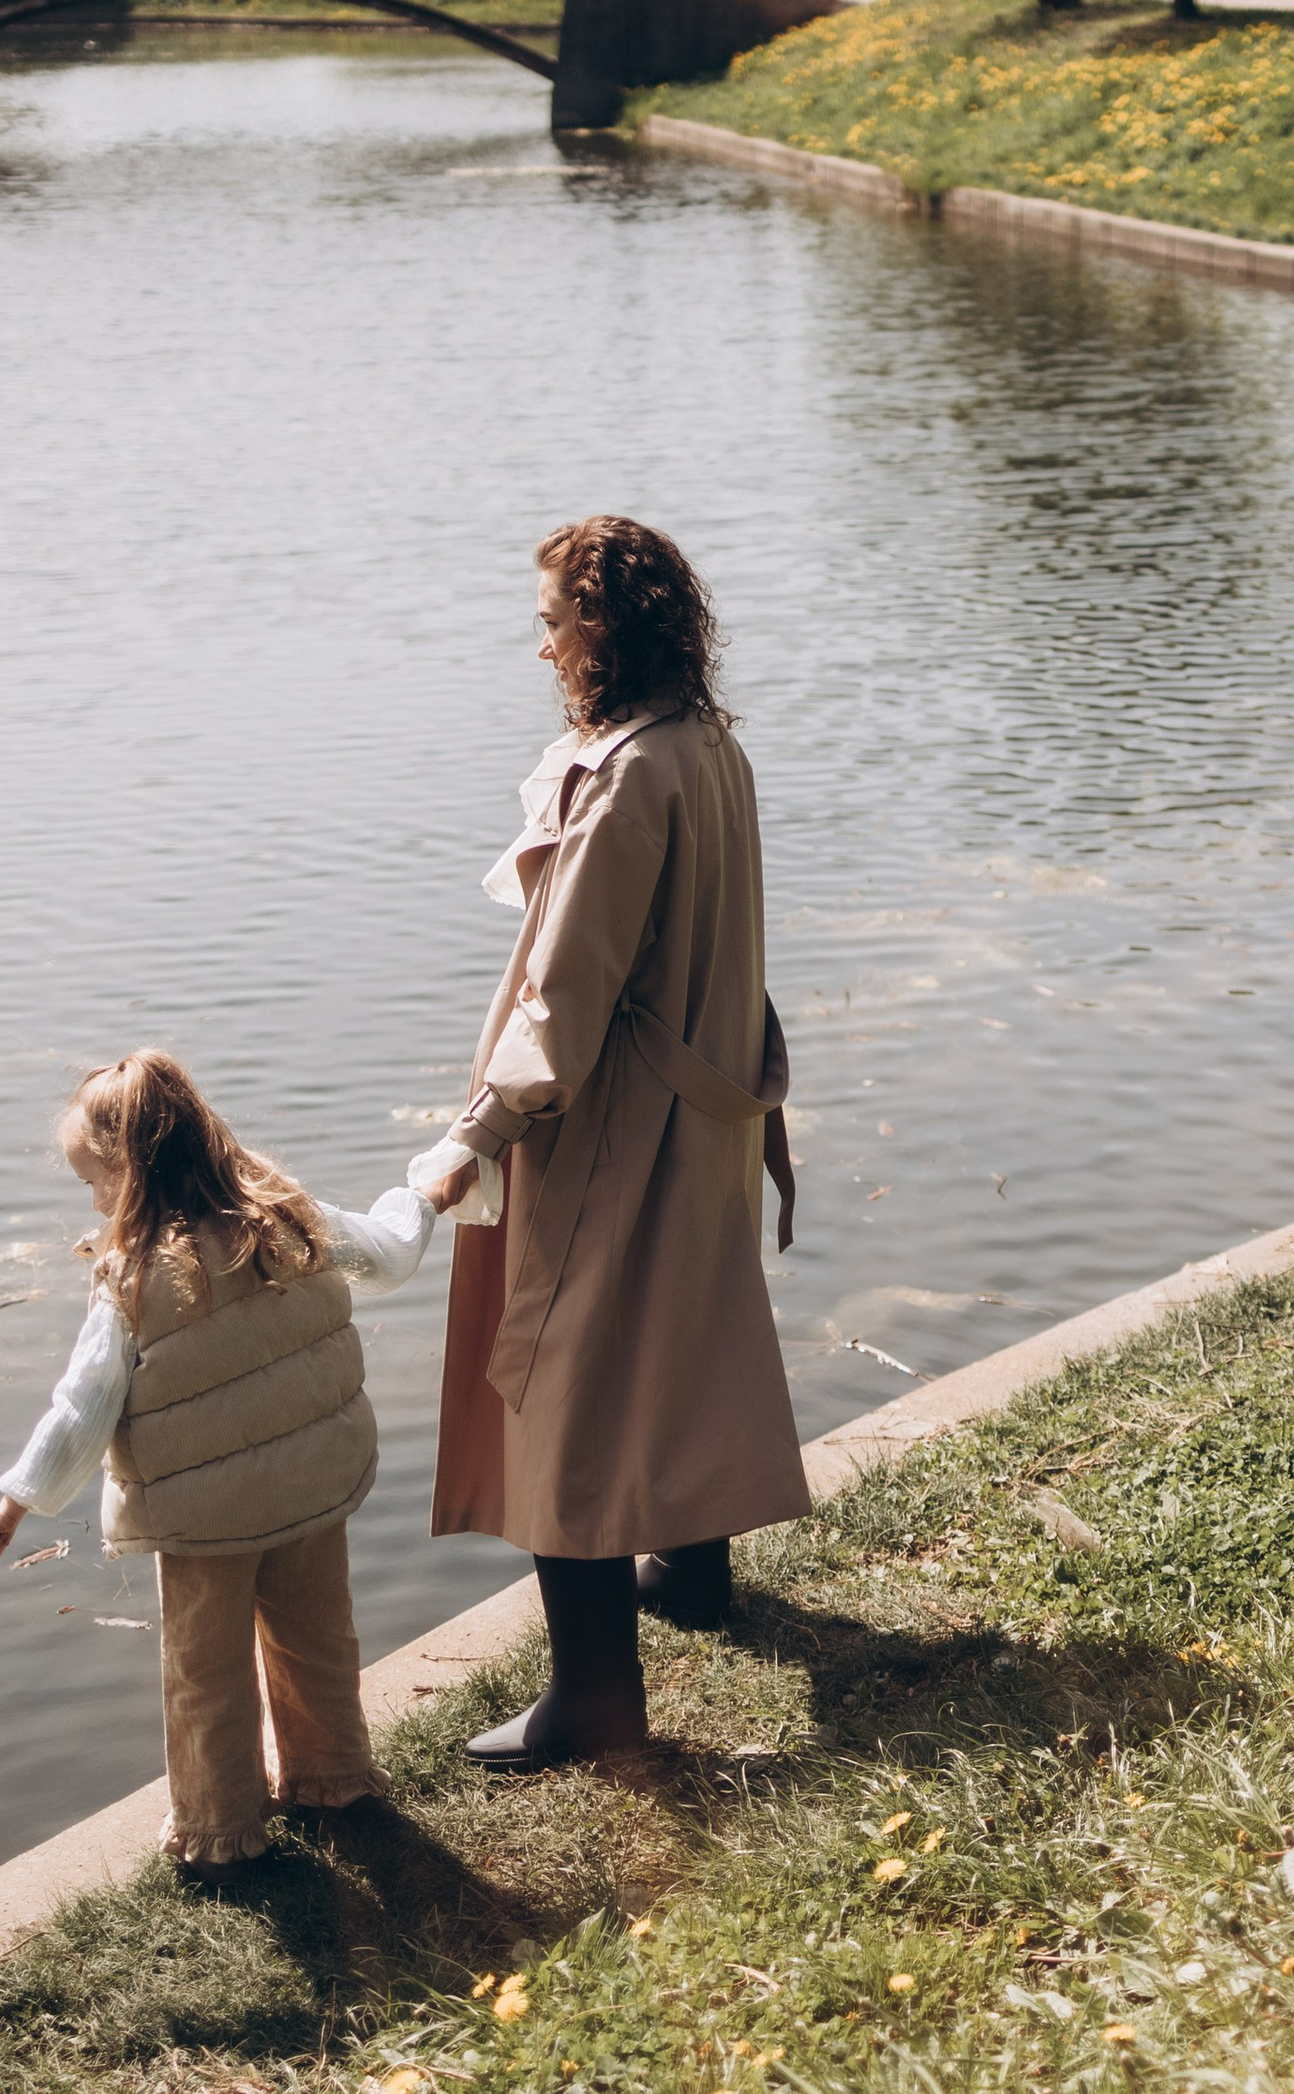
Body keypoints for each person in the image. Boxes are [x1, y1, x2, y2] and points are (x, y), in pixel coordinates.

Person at [415, 515, 809, 1771]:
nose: (542, 650)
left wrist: (474, 1136)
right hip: (705, 1108)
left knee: (561, 1384)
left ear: (601, 624)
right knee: (678, 1330)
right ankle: (691, 1574)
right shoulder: (706, 744)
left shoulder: (630, 775)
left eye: (551, 623)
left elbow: (567, 994)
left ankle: (593, 1697)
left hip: (617, 1120)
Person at [0, 1049, 458, 1873]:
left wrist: (13, 1504)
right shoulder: (289, 1219)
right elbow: (388, 1255)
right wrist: (424, 1195)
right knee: (316, 1637)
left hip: (205, 1515)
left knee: (207, 1669)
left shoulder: (133, 1278)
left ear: (132, 1170)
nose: (94, 1202)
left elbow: (83, 1407)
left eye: (95, 1182)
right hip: (309, 1483)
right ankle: (334, 1781)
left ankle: (221, 1830)